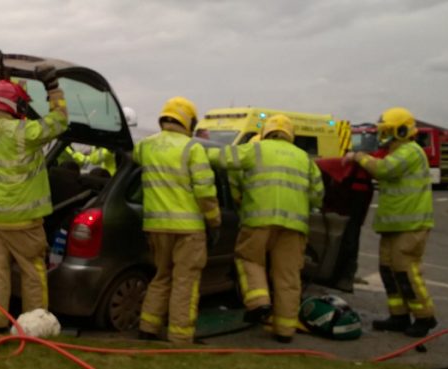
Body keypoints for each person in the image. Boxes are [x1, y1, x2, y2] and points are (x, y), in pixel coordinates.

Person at [208, 114, 324, 343]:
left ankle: (259, 302)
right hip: (294, 226)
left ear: (267, 131)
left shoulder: (257, 150)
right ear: (290, 134)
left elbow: (223, 158)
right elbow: (318, 197)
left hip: (258, 221)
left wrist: (192, 150)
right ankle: (284, 331)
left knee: (249, 259)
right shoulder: (305, 159)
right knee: (288, 277)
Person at [0, 65, 68, 332]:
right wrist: (52, 87)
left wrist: (1, 85)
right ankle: (35, 324)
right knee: (32, 271)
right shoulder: (24, 133)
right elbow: (60, 120)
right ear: (13, 105)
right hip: (23, 220)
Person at [342, 107, 436, 337]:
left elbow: (383, 170)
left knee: (405, 271)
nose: (383, 137)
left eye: (387, 132)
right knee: (388, 270)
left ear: (402, 131)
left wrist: (358, 156)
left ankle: (425, 317)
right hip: (394, 226)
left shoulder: (409, 152)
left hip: (410, 225)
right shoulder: (397, 152)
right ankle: (399, 316)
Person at [134, 97, 220, 344]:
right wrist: (214, 221)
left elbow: (134, 158)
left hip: (156, 227)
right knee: (185, 281)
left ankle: (147, 327)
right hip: (189, 229)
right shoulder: (193, 149)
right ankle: (180, 336)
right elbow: (205, 192)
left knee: (161, 276)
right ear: (189, 121)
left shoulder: (146, 146)